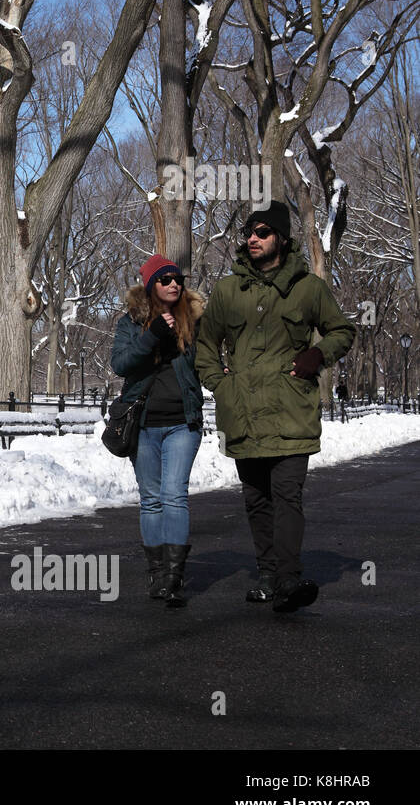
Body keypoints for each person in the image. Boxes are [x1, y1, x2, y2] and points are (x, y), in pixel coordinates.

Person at [195, 200, 356, 612]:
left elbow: (342, 330)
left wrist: (316, 356)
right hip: (242, 411)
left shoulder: (309, 287)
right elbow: (205, 345)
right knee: (256, 498)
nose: (252, 238)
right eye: (249, 232)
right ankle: (268, 575)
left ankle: (288, 577)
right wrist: (220, 385)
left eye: (262, 232)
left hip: (291, 411)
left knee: (287, 494)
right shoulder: (229, 290)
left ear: (281, 239)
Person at [112, 255, 206, 607]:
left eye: (177, 278)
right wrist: (151, 336)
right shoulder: (132, 323)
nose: (173, 284)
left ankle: (174, 576)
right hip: (144, 424)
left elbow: (207, 361)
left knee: (174, 495)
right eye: (165, 279)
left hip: (183, 422)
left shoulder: (194, 321)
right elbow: (120, 363)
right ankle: (156, 575)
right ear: (151, 284)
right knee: (151, 500)